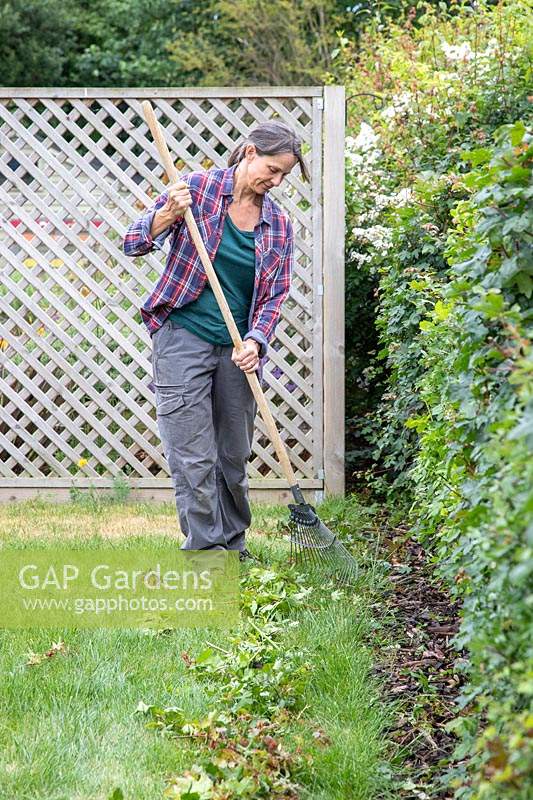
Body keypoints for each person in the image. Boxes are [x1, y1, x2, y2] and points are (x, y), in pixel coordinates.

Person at [123, 121, 309, 557]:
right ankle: (207, 552)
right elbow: (132, 242)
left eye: (283, 175)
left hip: (237, 351)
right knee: (193, 456)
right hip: (182, 336)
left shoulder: (278, 225)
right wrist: (167, 213)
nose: (276, 181)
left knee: (231, 455)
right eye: (272, 168)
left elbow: (273, 296)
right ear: (248, 152)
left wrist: (257, 341)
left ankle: (234, 541)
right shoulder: (195, 190)